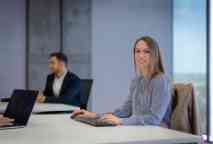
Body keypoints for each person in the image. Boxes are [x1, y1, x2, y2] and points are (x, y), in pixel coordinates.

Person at [71, 36, 171, 126]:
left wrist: (121, 121)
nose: (141, 56)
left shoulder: (160, 80)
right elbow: (124, 112)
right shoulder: (136, 81)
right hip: (139, 130)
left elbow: (154, 119)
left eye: (146, 51)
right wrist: (94, 115)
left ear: (154, 55)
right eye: (137, 51)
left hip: (156, 133)